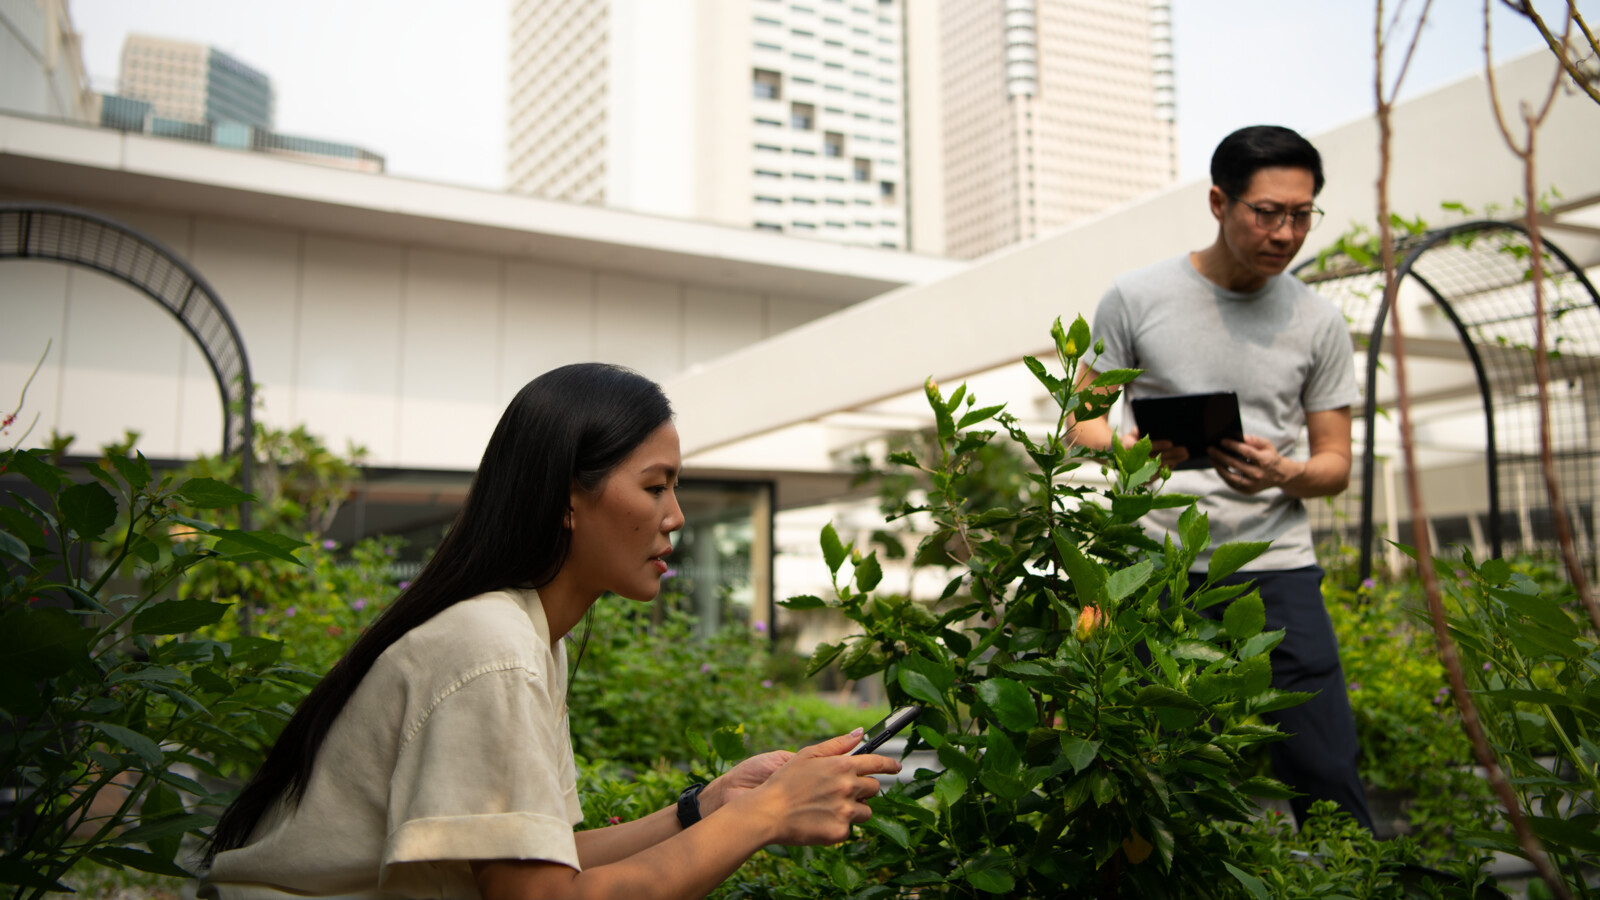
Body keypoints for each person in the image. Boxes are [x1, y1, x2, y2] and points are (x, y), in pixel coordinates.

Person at [201, 363, 900, 899]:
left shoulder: (526, 636)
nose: (676, 515)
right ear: (570, 496)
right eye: (656, 486)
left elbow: (543, 858)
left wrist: (710, 806)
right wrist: (766, 816)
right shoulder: (493, 646)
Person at [1071, 125, 1374, 831]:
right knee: (1148, 765)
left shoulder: (1319, 320)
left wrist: (1284, 471)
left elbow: (1334, 463)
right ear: (1218, 201)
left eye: (1302, 214)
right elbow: (1078, 421)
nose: (1286, 231)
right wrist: (1130, 451)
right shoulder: (1136, 297)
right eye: (1267, 211)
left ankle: (1360, 881)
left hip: (1276, 563)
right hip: (1150, 564)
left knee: (1325, 763)